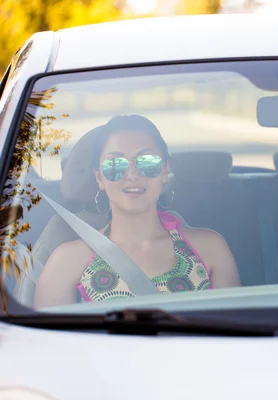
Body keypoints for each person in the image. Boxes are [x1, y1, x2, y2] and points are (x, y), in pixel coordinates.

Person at [35, 115, 240, 307]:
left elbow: (237, 340)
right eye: (115, 164)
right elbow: (46, 343)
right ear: (99, 178)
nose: (132, 174)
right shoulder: (67, 261)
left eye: (147, 162)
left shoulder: (211, 249)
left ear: (165, 171)